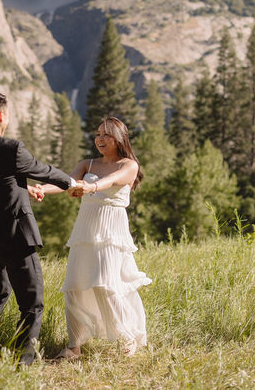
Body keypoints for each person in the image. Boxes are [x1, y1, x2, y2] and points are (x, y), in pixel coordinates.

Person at [0, 90, 80, 366]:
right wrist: (72, 184)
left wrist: (24, 189)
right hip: (15, 236)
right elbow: (43, 170)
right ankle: (23, 364)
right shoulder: (12, 149)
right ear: (2, 115)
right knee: (32, 302)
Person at [30, 116, 151, 360]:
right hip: (85, 230)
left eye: (106, 134)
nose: (100, 139)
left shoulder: (129, 165)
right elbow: (67, 183)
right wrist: (42, 189)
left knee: (106, 285)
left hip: (111, 232)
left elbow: (111, 182)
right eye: (97, 134)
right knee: (74, 285)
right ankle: (74, 346)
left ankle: (128, 337)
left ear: (119, 138)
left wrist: (90, 187)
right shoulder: (88, 163)